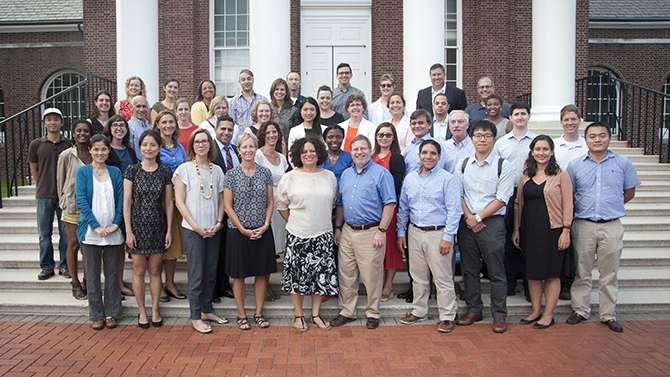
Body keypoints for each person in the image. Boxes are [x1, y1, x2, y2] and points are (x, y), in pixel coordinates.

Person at [566, 122, 641, 333]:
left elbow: (629, 192)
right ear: (586, 139)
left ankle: (608, 314)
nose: (597, 139)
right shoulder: (575, 165)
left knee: (609, 273)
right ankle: (580, 310)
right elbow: (570, 195)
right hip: (584, 225)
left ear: (608, 138)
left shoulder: (623, 163)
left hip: (611, 225)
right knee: (582, 270)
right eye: (592, 136)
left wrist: (611, 207)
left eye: (602, 135)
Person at [330, 135, 396, 330]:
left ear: (370, 150)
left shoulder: (382, 174)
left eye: (363, 148)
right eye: (356, 149)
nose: (359, 152)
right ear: (351, 151)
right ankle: (347, 311)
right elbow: (340, 204)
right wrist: (338, 228)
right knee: (347, 274)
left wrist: (381, 231)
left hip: (371, 231)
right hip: (348, 231)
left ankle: (373, 312)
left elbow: (390, 203)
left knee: (371, 275)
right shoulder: (347, 175)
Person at [397, 140, 463, 333]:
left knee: (442, 277)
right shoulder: (410, 178)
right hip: (415, 231)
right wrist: (402, 233)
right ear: (419, 156)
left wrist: (448, 237)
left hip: (438, 233)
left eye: (433, 153)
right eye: (424, 153)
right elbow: (403, 208)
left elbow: (454, 211)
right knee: (418, 276)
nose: (428, 156)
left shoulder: (447, 179)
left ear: (439, 156)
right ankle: (419, 310)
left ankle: (447, 315)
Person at [454, 120, 513, 333]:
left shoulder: (503, 165)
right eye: (478, 135)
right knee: (469, 270)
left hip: (492, 223)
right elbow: (458, 194)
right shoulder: (463, 163)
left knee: (496, 270)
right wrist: (469, 216)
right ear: (471, 138)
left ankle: (499, 315)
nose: (482, 139)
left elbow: (502, 198)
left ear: (493, 139)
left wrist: (478, 217)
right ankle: (474, 309)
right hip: (467, 222)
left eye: (487, 135)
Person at [277, 136, 339, 331]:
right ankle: (298, 315)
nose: (308, 154)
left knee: (319, 277)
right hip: (297, 234)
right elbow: (282, 206)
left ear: (319, 152)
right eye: (304, 151)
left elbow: (333, 202)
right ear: (298, 154)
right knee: (298, 277)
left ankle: (315, 314)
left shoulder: (329, 176)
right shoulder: (290, 177)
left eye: (312, 150)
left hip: (323, 234)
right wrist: (297, 222)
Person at [512, 135, 573, 329]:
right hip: (529, 229)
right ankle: (536, 310)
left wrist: (566, 230)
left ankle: (548, 314)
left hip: (552, 230)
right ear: (532, 152)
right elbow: (518, 203)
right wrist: (516, 229)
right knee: (533, 272)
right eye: (538, 149)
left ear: (552, 152)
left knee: (552, 273)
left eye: (545, 149)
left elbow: (568, 204)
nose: (541, 153)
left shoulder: (561, 175)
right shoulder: (525, 176)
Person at [174, 129, 228, 334]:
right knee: (196, 274)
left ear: (210, 145)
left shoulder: (218, 171)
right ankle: (195, 315)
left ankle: (207, 309)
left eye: (205, 141)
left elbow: (222, 200)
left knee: (210, 272)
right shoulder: (184, 169)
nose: (201, 145)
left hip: (213, 229)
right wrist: (195, 226)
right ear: (192, 145)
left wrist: (218, 222)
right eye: (197, 142)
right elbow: (179, 201)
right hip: (193, 230)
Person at [223, 133, 277, 331]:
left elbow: (270, 202)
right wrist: (243, 229)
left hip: (262, 230)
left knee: (262, 274)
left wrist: (265, 224)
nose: (248, 150)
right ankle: (241, 314)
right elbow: (228, 207)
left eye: (251, 147)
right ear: (238, 150)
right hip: (238, 232)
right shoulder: (231, 175)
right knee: (239, 275)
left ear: (256, 149)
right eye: (244, 147)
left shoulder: (265, 173)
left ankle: (259, 312)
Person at [123, 130, 174, 329]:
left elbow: (169, 203)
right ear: (140, 147)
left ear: (159, 148)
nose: (148, 148)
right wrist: (128, 230)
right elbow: (127, 202)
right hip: (137, 225)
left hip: (158, 225)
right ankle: (142, 310)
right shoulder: (132, 170)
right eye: (145, 144)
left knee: (155, 271)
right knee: (139, 270)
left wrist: (169, 230)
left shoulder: (164, 171)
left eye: (153, 145)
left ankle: (154, 310)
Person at [75, 134, 125, 330]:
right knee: (93, 275)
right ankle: (96, 314)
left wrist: (115, 224)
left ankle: (112, 312)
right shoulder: (83, 172)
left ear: (108, 150)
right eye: (96, 149)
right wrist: (95, 226)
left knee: (112, 273)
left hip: (113, 231)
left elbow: (121, 200)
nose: (100, 152)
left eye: (103, 149)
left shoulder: (114, 172)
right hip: (90, 232)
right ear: (90, 150)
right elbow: (81, 201)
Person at [492, 102, 536, 300]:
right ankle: (510, 282)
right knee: (508, 239)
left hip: (531, 193)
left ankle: (529, 285)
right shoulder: (501, 143)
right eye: (516, 114)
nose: (519, 117)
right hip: (508, 194)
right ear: (510, 118)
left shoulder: (535, 141)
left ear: (528, 117)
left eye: (523, 114)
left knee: (528, 239)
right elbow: (495, 170)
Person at [29, 108, 71, 280]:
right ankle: (46, 266)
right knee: (44, 234)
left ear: (61, 123)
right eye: (49, 120)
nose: (52, 122)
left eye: (56, 119)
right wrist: (43, 183)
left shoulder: (68, 144)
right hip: (44, 195)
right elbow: (34, 169)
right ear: (44, 123)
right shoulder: (36, 144)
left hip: (63, 195)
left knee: (66, 233)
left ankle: (64, 265)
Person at [553, 104, 587, 301]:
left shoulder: (587, 145)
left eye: (573, 119)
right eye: (566, 120)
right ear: (561, 122)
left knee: (575, 247)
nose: (570, 123)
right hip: (558, 202)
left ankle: (571, 283)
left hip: (581, 201)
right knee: (559, 243)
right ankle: (558, 280)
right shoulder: (555, 146)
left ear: (580, 121)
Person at [153, 111, 188, 302]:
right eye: (164, 122)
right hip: (159, 199)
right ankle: (158, 284)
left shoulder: (179, 147)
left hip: (178, 198)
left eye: (171, 122)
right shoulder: (154, 145)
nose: (168, 125)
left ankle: (171, 283)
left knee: (173, 241)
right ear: (157, 124)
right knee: (160, 243)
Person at [57, 119, 93, 300]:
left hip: (91, 207)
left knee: (87, 245)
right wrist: (64, 201)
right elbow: (61, 181)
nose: (82, 134)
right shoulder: (66, 155)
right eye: (79, 131)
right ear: (73, 133)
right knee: (73, 244)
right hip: (72, 206)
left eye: (86, 131)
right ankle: (75, 282)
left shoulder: (94, 153)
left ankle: (88, 280)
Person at [102, 115, 137, 297]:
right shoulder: (106, 150)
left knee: (122, 242)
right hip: (112, 199)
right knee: (113, 245)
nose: (118, 128)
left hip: (130, 199)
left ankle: (120, 282)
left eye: (122, 125)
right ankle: (113, 283)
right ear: (110, 129)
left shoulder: (130, 151)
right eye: (115, 125)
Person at [255, 121, 289, 302]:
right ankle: (264, 285)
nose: (271, 135)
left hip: (280, 205)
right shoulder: (258, 155)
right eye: (267, 132)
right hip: (264, 204)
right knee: (265, 248)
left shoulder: (282, 157)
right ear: (263, 134)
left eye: (274, 132)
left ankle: (267, 283)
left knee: (275, 247)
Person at [372, 123, 405, 302]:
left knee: (390, 247)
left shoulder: (397, 159)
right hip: (372, 211)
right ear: (376, 137)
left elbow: (397, 184)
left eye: (388, 135)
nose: (384, 138)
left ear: (393, 138)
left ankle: (388, 284)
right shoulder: (371, 157)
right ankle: (377, 282)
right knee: (376, 248)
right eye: (381, 134)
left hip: (390, 209)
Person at [210, 115, 240, 303]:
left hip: (233, 208)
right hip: (213, 206)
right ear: (216, 129)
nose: (226, 132)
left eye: (230, 129)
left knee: (225, 250)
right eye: (223, 129)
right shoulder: (209, 151)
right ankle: (212, 288)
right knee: (214, 250)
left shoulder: (236, 151)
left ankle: (223, 284)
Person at [403, 109, 448, 176]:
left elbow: (438, 171)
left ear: (429, 125)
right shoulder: (407, 149)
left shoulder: (436, 145)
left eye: (420, 123)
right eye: (414, 123)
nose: (417, 126)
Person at [127, 96, 152, 160]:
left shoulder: (150, 128)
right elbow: (130, 149)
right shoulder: (128, 126)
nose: (141, 110)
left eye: (144, 106)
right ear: (132, 107)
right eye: (138, 106)